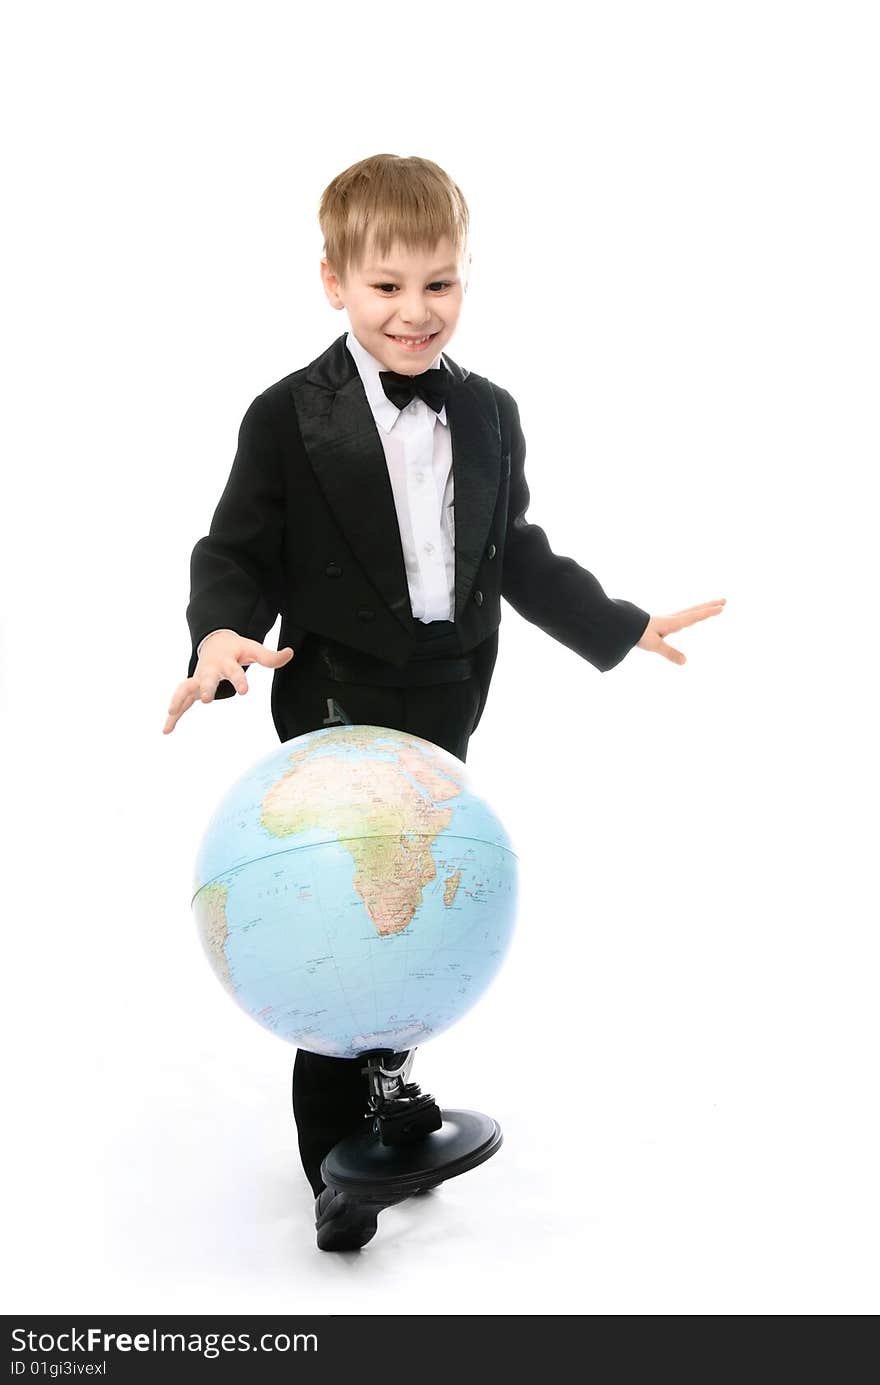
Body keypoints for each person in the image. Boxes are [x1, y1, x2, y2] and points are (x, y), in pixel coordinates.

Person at [163, 153, 725, 1250]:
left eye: (440, 284)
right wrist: (219, 628)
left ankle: (389, 1099)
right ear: (333, 280)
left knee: (413, 900)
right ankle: (335, 1162)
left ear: (465, 277)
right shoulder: (286, 416)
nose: (416, 313)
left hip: (447, 699)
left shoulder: (491, 411)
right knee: (339, 916)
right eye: (387, 287)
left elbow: (512, 550)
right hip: (332, 703)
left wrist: (619, 622)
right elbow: (234, 550)